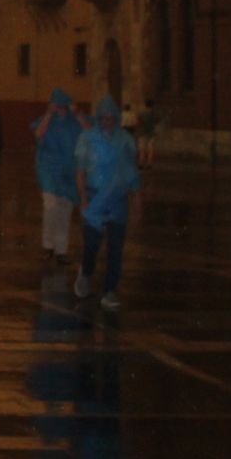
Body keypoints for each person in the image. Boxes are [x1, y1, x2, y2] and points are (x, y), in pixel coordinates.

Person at [74, 93, 140, 310]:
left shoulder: (125, 141)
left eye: (111, 119)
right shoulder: (87, 139)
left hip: (118, 200)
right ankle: (86, 272)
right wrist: (83, 198)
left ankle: (110, 289)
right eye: (103, 118)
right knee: (92, 244)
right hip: (94, 197)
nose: (107, 123)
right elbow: (81, 170)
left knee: (115, 248)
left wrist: (135, 200)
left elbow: (131, 172)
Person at [31, 88, 83, 265]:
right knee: (51, 206)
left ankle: (61, 250)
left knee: (64, 210)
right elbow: (38, 134)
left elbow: (90, 131)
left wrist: (77, 114)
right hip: (49, 171)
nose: (59, 109)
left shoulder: (73, 123)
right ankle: (48, 246)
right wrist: (48, 114)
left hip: (68, 172)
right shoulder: (47, 121)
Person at [137, 98, 159, 169]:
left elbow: (138, 123)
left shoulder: (141, 113)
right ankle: (149, 164)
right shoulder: (154, 113)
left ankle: (141, 163)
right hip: (151, 133)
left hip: (142, 133)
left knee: (142, 149)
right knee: (150, 150)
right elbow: (156, 121)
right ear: (152, 105)